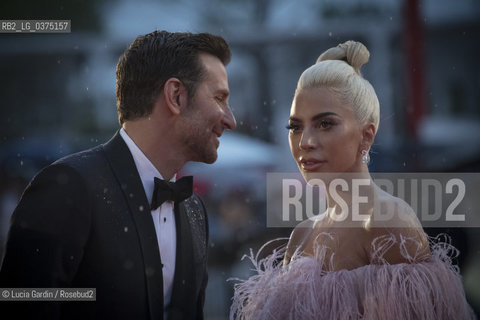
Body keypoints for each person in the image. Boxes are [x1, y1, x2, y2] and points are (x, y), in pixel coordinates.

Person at [0, 30, 236, 320]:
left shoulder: (193, 210)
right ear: (176, 95)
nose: (230, 119)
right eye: (219, 98)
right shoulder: (68, 188)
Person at [231, 41, 474, 319]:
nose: (305, 141)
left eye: (325, 124)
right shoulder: (304, 232)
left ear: (366, 135)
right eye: (295, 127)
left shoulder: (386, 220)